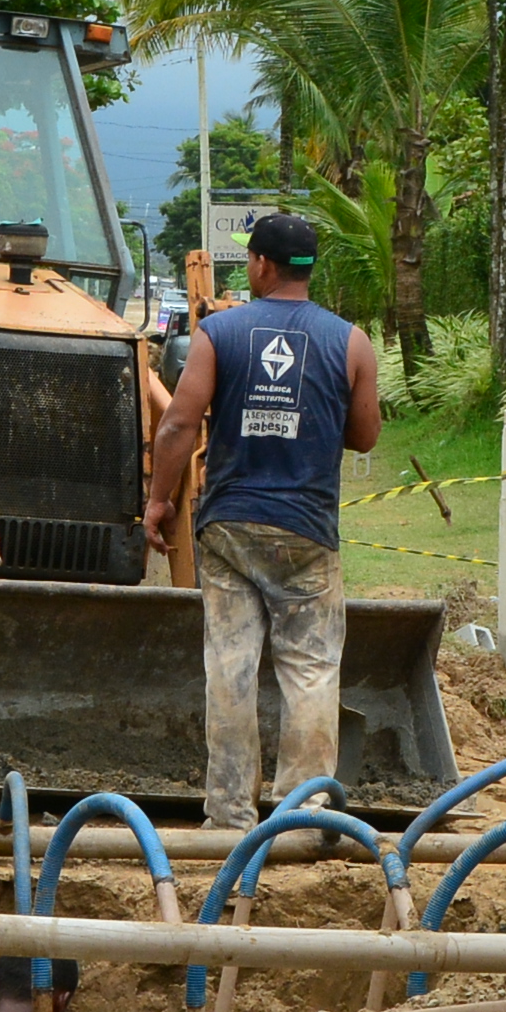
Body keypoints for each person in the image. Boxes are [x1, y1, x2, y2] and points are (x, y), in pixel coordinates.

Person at [141, 209, 382, 830]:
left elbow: (176, 423)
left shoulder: (220, 334)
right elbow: (365, 435)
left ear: (264, 265)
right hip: (306, 532)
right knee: (310, 669)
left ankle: (228, 814)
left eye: (251, 258)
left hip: (228, 528)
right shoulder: (351, 342)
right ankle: (303, 815)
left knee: (230, 665)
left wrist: (159, 500)